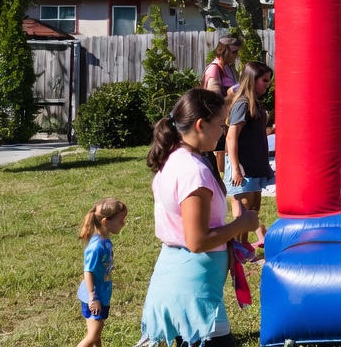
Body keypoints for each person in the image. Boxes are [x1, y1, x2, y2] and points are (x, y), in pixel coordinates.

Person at [137, 89, 259, 347]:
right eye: (220, 125)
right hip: (193, 292)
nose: (223, 132)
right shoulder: (193, 171)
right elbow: (197, 241)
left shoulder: (174, 160)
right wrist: (242, 224)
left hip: (177, 280)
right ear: (201, 125)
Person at [224, 61, 274, 249]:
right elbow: (231, 137)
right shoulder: (243, 104)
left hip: (256, 164)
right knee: (243, 213)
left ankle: (243, 248)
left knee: (253, 210)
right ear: (252, 79)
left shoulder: (257, 104)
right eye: (264, 80)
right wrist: (235, 168)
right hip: (243, 166)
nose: (267, 85)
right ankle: (237, 249)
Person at [75, 197, 127, 347]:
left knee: (96, 335)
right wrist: (93, 297)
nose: (124, 223)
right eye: (121, 220)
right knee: (92, 336)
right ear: (105, 221)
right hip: (94, 297)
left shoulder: (105, 241)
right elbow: (88, 271)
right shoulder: (97, 247)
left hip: (101, 294)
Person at [202, 35, 242, 177]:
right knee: (218, 163)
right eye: (234, 52)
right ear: (223, 50)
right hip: (215, 122)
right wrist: (230, 95)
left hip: (225, 120)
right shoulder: (214, 70)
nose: (236, 56)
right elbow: (213, 102)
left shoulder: (228, 68)